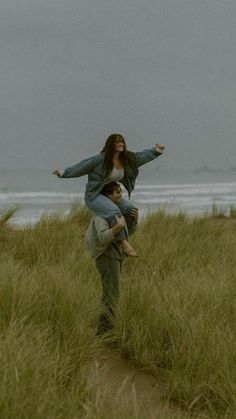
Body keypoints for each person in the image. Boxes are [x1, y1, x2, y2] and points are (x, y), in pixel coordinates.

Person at [53, 133, 165, 256]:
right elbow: (82, 166)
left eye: (121, 141)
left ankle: (122, 237)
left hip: (110, 195)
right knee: (114, 211)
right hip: (94, 196)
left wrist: (156, 150)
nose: (120, 143)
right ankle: (124, 244)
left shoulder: (126, 159)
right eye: (117, 141)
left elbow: (141, 157)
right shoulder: (100, 159)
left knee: (130, 210)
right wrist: (63, 172)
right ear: (111, 144)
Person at [85, 182, 138, 335]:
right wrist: (116, 228)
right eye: (116, 192)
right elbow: (103, 238)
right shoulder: (101, 216)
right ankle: (104, 331)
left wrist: (133, 221)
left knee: (112, 293)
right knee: (111, 293)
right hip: (106, 257)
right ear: (107, 196)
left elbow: (128, 233)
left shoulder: (117, 213)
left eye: (120, 191)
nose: (120, 195)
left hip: (117, 256)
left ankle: (105, 329)